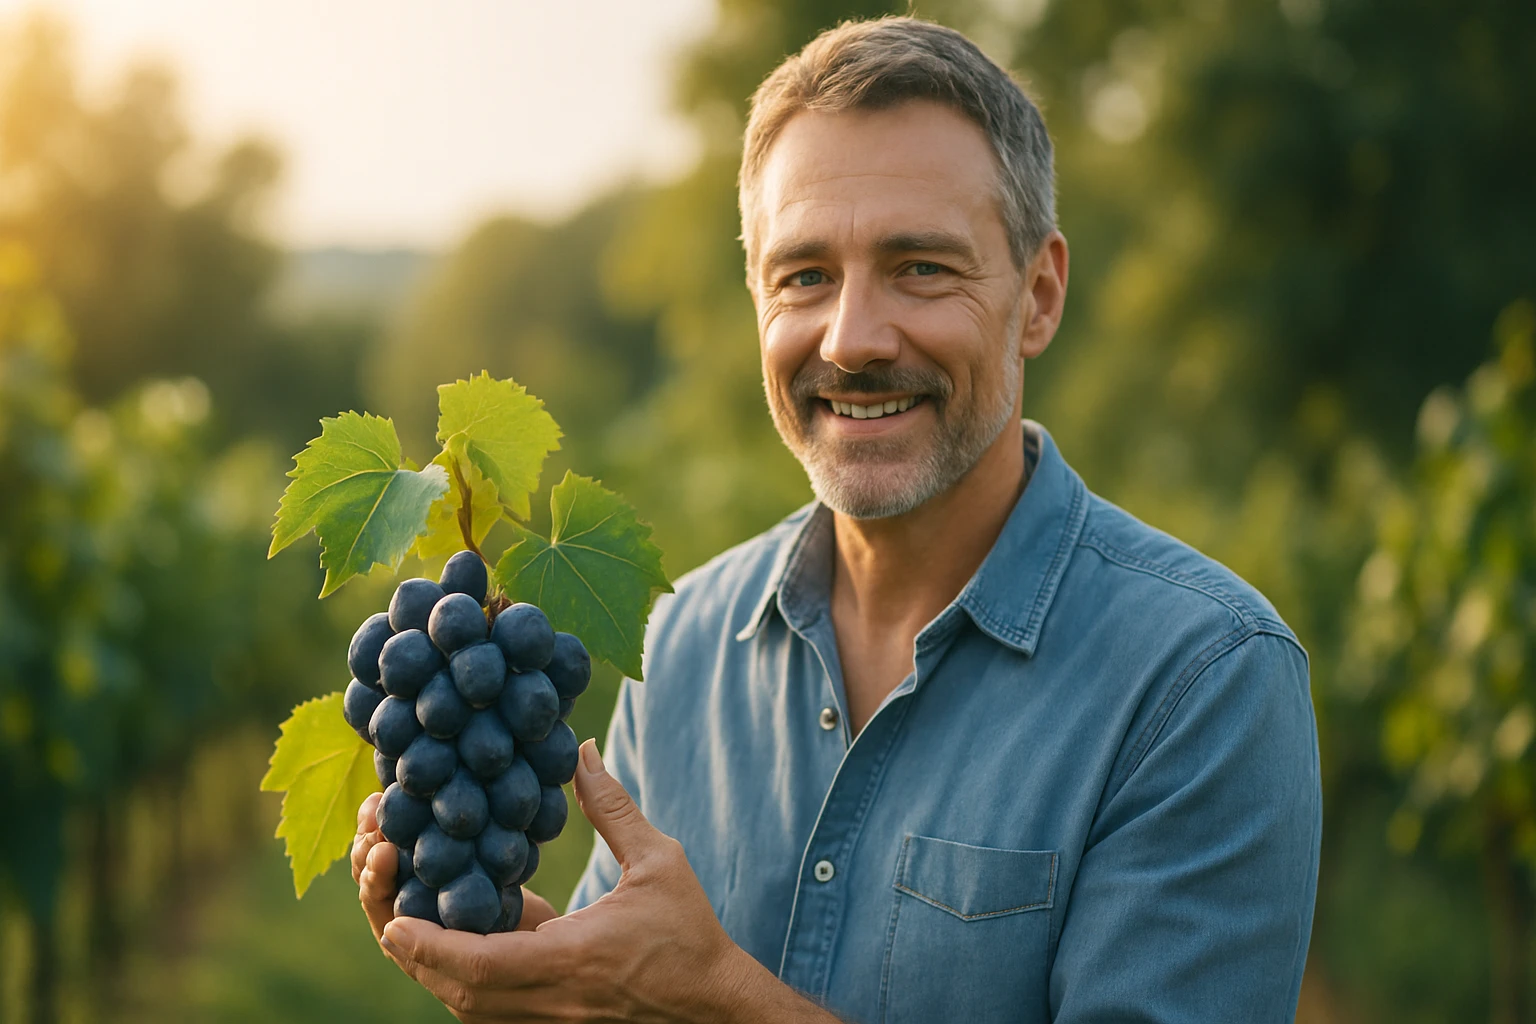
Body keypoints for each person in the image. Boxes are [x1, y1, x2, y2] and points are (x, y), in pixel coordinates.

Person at [351, 15, 1321, 1022]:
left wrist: (715, 997)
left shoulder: (1204, 680)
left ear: (1036, 296)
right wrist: (557, 988)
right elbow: (639, 984)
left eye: (922, 268)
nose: (851, 339)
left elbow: (683, 987)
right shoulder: (680, 644)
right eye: (804, 276)